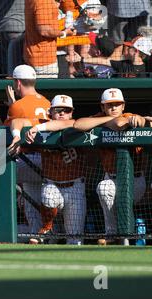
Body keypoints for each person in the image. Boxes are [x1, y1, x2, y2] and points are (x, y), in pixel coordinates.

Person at [74, 88, 148, 245]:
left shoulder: (128, 116)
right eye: (109, 105)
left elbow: (122, 123)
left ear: (123, 106)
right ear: (102, 107)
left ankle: (124, 235)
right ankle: (112, 233)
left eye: (117, 104)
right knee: (104, 188)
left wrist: (138, 119)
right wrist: (105, 120)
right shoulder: (99, 117)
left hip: (135, 180)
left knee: (121, 199)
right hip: (111, 178)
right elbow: (78, 125)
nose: (113, 108)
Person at [11, 95, 87, 245]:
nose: (62, 113)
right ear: (50, 112)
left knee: (75, 240)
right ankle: (48, 227)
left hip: (76, 187)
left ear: (72, 112)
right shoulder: (41, 125)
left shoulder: (77, 124)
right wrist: (16, 136)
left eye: (66, 110)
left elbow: (67, 124)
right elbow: (17, 121)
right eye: (57, 110)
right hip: (52, 183)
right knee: (48, 195)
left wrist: (37, 128)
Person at [0, 64, 51, 240]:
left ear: (18, 82)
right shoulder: (47, 102)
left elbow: (3, 135)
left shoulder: (19, 106)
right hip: (49, 163)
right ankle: (38, 237)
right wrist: (14, 104)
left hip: (29, 160)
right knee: (33, 206)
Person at [24, 0, 76, 78]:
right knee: (47, 89)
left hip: (33, 55)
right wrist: (64, 33)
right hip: (43, 59)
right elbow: (44, 30)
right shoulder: (44, 2)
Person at [75, 35, 152, 77]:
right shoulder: (125, 64)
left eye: (130, 47)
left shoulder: (144, 69)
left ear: (136, 51)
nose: (127, 48)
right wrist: (82, 59)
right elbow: (106, 61)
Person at [0, 0, 25, 76]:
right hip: (16, 25)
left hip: (1, 23)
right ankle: (13, 85)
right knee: (17, 69)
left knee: (15, 63)